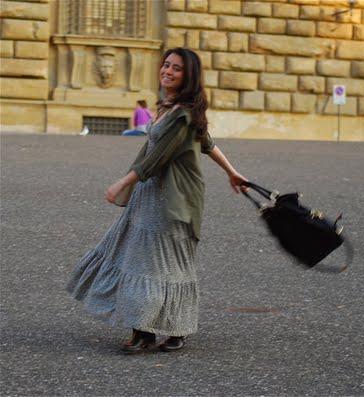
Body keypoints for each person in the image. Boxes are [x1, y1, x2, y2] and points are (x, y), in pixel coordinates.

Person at [67, 47, 248, 353]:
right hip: (150, 193)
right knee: (141, 259)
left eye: (176, 68)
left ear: (188, 75)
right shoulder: (169, 107)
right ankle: (147, 329)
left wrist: (121, 183)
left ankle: (165, 329)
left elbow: (157, 160)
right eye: (166, 65)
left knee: (164, 263)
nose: (167, 71)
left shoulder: (184, 114)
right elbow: (208, 144)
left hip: (175, 198)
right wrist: (232, 172)